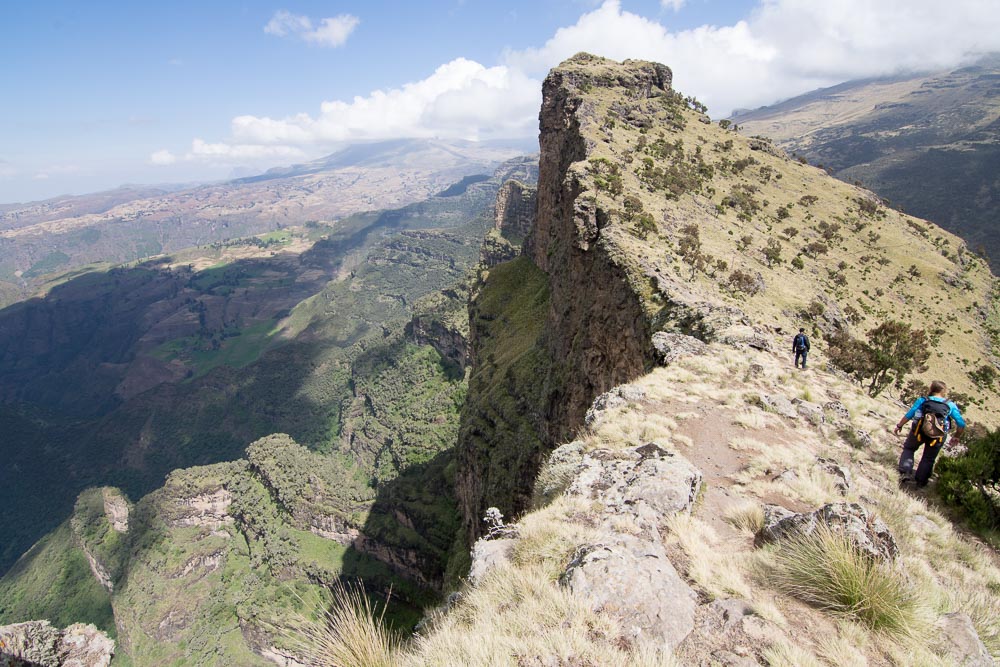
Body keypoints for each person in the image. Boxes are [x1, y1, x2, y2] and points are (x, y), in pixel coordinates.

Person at [894, 380, 965, 487]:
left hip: (918, 431)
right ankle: (920, 482)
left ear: (931, 389)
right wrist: (956, 436)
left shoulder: (923, 400)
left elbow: (910, 414)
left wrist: (900, 425)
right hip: (938, 436)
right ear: (944, 391)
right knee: (928, 458)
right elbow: (961, 423)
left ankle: (905, 472)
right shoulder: (950, 405)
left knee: (909, 448)